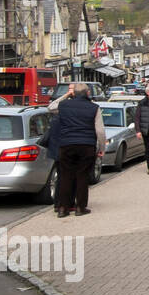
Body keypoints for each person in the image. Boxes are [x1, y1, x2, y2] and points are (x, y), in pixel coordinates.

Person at [48, 82, 105, 218]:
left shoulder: (63, 105)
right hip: (86, 146)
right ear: (88, 93)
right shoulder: (94, 108)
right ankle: (80, 207)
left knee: (65, 176)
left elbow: (50, 107)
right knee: (82, 176)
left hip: (66, 145)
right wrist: (102, 147)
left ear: (73, 93)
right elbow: (100, 131)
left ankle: (63, 208)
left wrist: (66, 95)